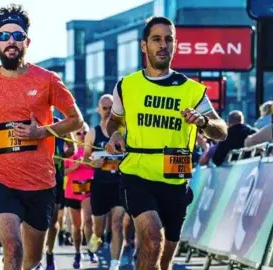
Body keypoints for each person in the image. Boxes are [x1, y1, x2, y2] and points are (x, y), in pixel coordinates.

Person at [0, 4, 83, 269]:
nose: (11, 42)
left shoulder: (48, 80)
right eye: (4, 36)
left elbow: (77, 120)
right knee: (13, 248)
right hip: (0, 180)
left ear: (27, 40)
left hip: (40, 183)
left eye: (17, 35)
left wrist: (42, 131)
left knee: (31, 259)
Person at [105, 16, 228, 270]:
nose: (163, 45)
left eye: (169, 39)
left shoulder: (192, 90)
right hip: (137, 174)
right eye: (156, 39)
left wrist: (203, 122)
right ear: (144, 46)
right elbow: (113, 122)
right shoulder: (127, 86)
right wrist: (115, 134)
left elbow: (222, 131)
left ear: (175, 45)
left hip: (175, 177)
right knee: (152, 237)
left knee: (163, 260)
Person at [85, 94, 125, 270]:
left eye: (111, 108)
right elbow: (86, 157)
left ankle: (115, 263)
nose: (108, 111)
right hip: (100, 185)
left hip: (119, 183)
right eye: (105, 108)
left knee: (117, 224)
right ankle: (96, 237)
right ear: (98, 110)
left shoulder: (123, 132)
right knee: (99, 230)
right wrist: (93, 162)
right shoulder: (93, 132)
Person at [45, 115, 76, 270]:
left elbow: (72, 148)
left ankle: (49, 253)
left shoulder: (61, 124)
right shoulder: (33, 120)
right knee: (30, 218)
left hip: (56, 178)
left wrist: (60, 157)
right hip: (34, 177)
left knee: (53, 221)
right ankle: (33, 255)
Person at [64, 123, 96, 269]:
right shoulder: (69, 150)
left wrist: (92, 163)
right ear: (74, 135)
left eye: (85, 133)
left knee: (89, 220)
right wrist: (74, 166)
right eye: (79, 133)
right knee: (77, 226)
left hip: (89, 188)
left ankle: (91, 249)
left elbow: (103, 165)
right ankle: (77, 252)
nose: (82, 136)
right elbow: (61, 172)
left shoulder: (93, 149)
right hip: (72, 191)